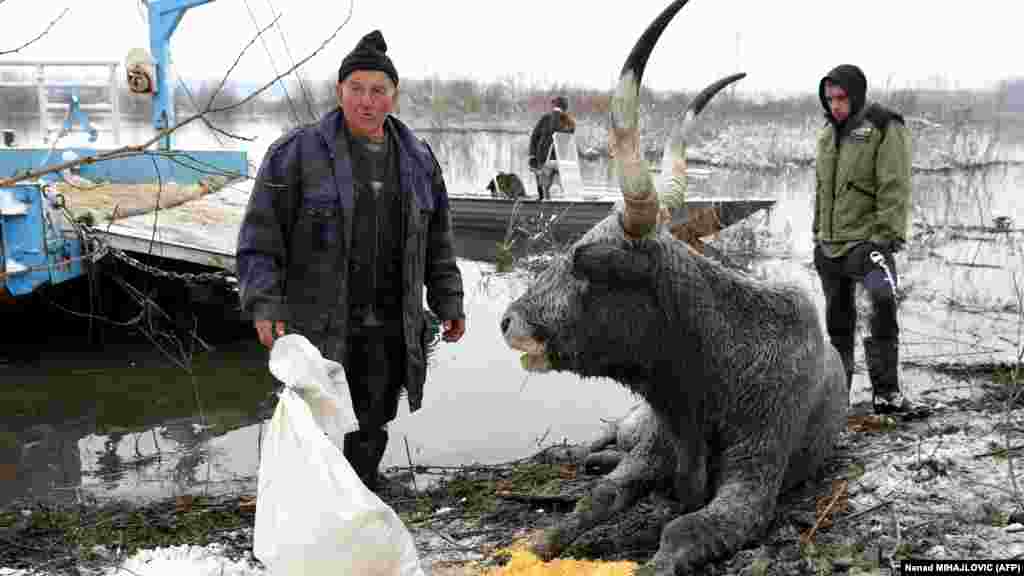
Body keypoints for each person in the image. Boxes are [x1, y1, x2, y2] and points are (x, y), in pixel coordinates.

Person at [236, 30, 467, 491]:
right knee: (312, 418)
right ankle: (309, 500)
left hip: (389, 322)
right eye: (356, 88)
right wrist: (264, 304)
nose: (366, 101)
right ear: (339, 91)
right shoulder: (295, 153)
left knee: (374, 418)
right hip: (319, 320)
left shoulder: (419, 159)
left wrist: (449, 301)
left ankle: (361, 492)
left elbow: (438, 241)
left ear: (394, 96)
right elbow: (260, 237)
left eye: (378, 90)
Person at [812, 64, 927, 417]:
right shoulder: (826, 133)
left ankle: (886, 394)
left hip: (867, 248)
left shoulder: (883, 126)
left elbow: (895, 186)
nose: (835, 105)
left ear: (856, 95)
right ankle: (837, 399)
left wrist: (884, 238)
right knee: (838, 323)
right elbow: (821, 189)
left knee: (882, 305)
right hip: (831, 249)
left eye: (841, 98)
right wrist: (817, 234)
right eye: (829, 98)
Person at [528, 95, 576, 200]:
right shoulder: (545, 118)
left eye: (557, 106)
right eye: (554, 106)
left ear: (564, 108)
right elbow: (534, 136)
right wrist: (532, 156)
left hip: (558, 161)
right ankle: (541, 203)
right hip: (542, 158)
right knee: (542, 189)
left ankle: (555, 203)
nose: (554, 108)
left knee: (556, 189)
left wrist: (557, 114)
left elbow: (556, 130)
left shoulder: (569, 122)